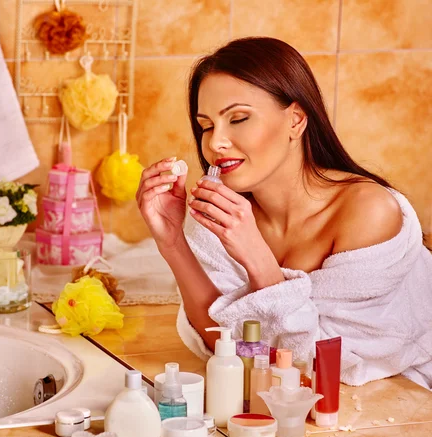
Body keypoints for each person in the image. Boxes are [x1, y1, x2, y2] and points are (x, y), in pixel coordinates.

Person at [136, 37, 432, 388]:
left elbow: (323, 363)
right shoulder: (226, 212)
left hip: (407, 398)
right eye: (207, 126)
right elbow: (228, 347)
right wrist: (172, 241)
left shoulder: (369, 212)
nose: (216, 143)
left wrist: (257, 258)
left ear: (295, 120)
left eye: (239, 118)